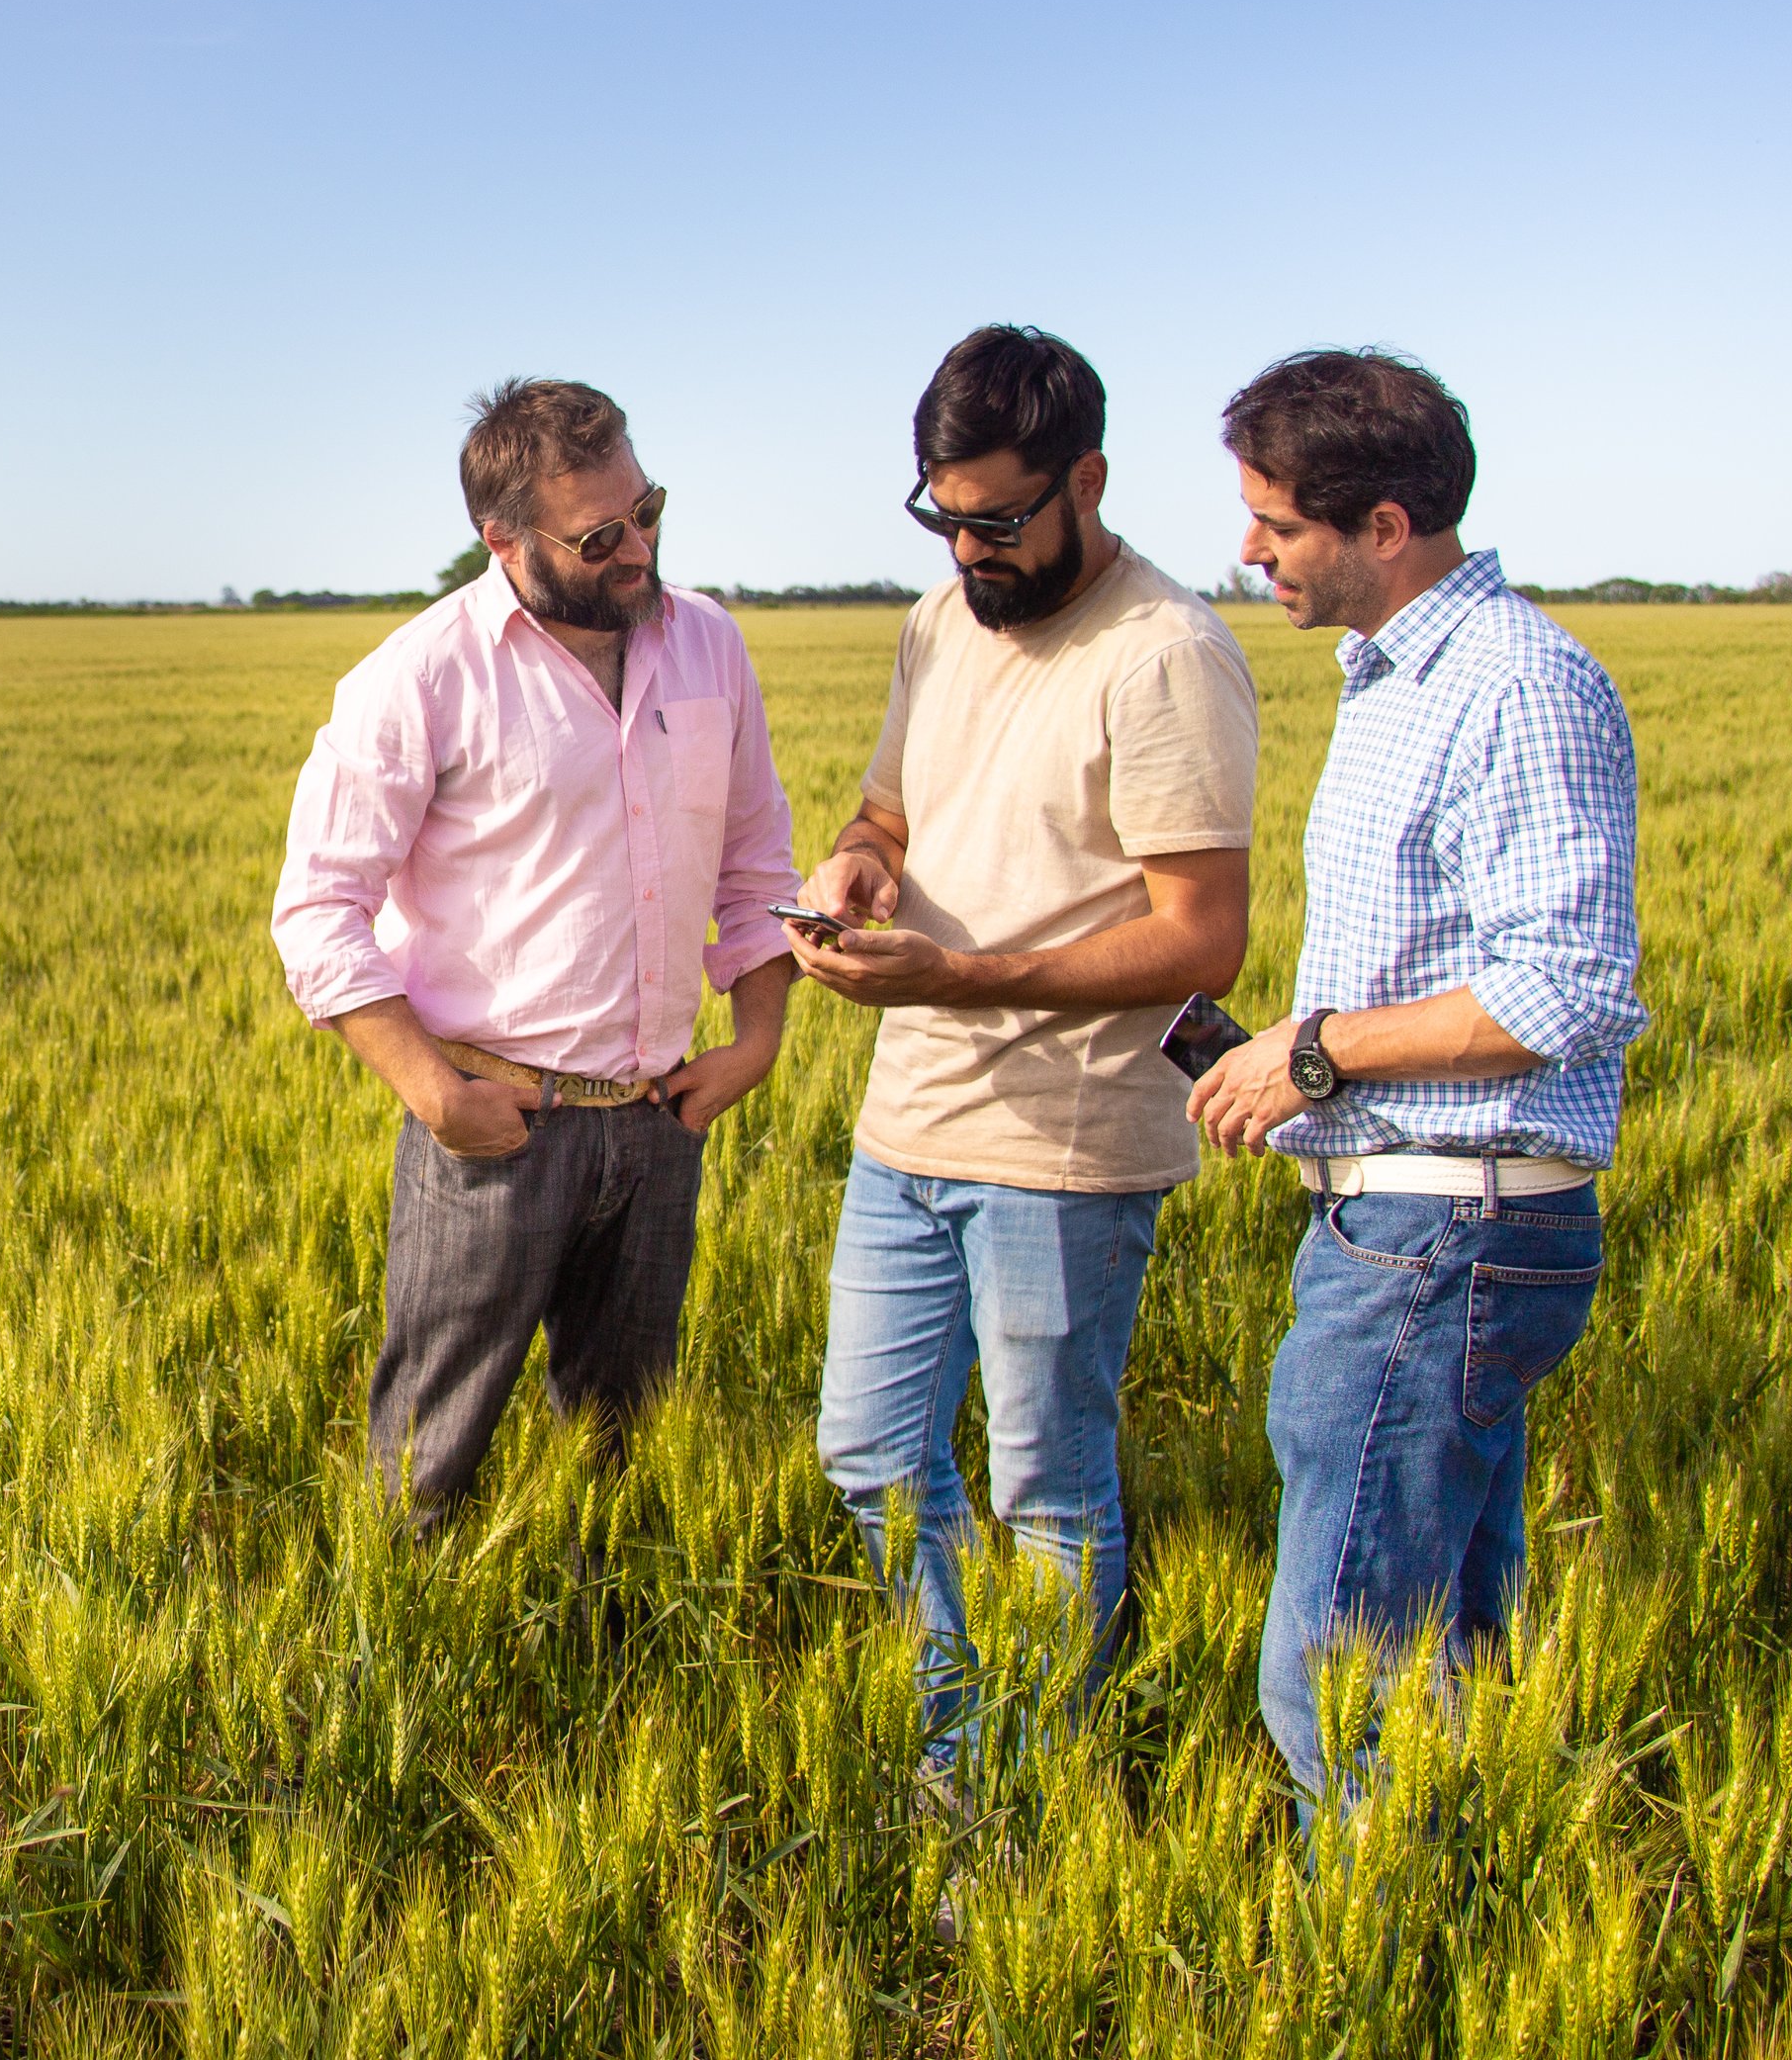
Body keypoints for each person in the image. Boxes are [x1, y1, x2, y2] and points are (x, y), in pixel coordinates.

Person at [786, 324, 1259, 1763]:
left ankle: (1025, 1788)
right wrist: (853, 869)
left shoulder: (1164, 653)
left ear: (1087, 479)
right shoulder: (940, 626)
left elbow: (1202, 937)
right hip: (906, 1126)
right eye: (946, 520)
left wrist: (959, 975)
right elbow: (890, 814)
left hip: (1066, 1145)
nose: (972, 551)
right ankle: (954, 1734)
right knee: (868, 1456)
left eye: (1000, 519)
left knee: (1046, 1492)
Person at [1184, 349, 1645, 1809]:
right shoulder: (1396, 682)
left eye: (1276, 522)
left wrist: (1313, 1053)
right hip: (1410, 1221)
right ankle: (1456, 1940)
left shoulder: (1516, 684)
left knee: (1336, 1680)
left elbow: (1565, 987)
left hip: (1444, 1234)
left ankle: (1359, 1968)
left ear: (1387, 524)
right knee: (1446, 1658)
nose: (1248, 549)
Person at [273, 379, 801, 1526]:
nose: (639, 549)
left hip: (660, 1123)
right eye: (600, 535)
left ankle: (605, 1669)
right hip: (494, 1128)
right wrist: (431, 1093)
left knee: (625, 1458)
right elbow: (317, 908)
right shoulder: (417, 678)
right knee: (429, 1459)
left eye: (649, 511)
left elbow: (759, 866)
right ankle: (410, 1668)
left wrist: (757, 1038)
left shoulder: (707, 643)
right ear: (501, 538)